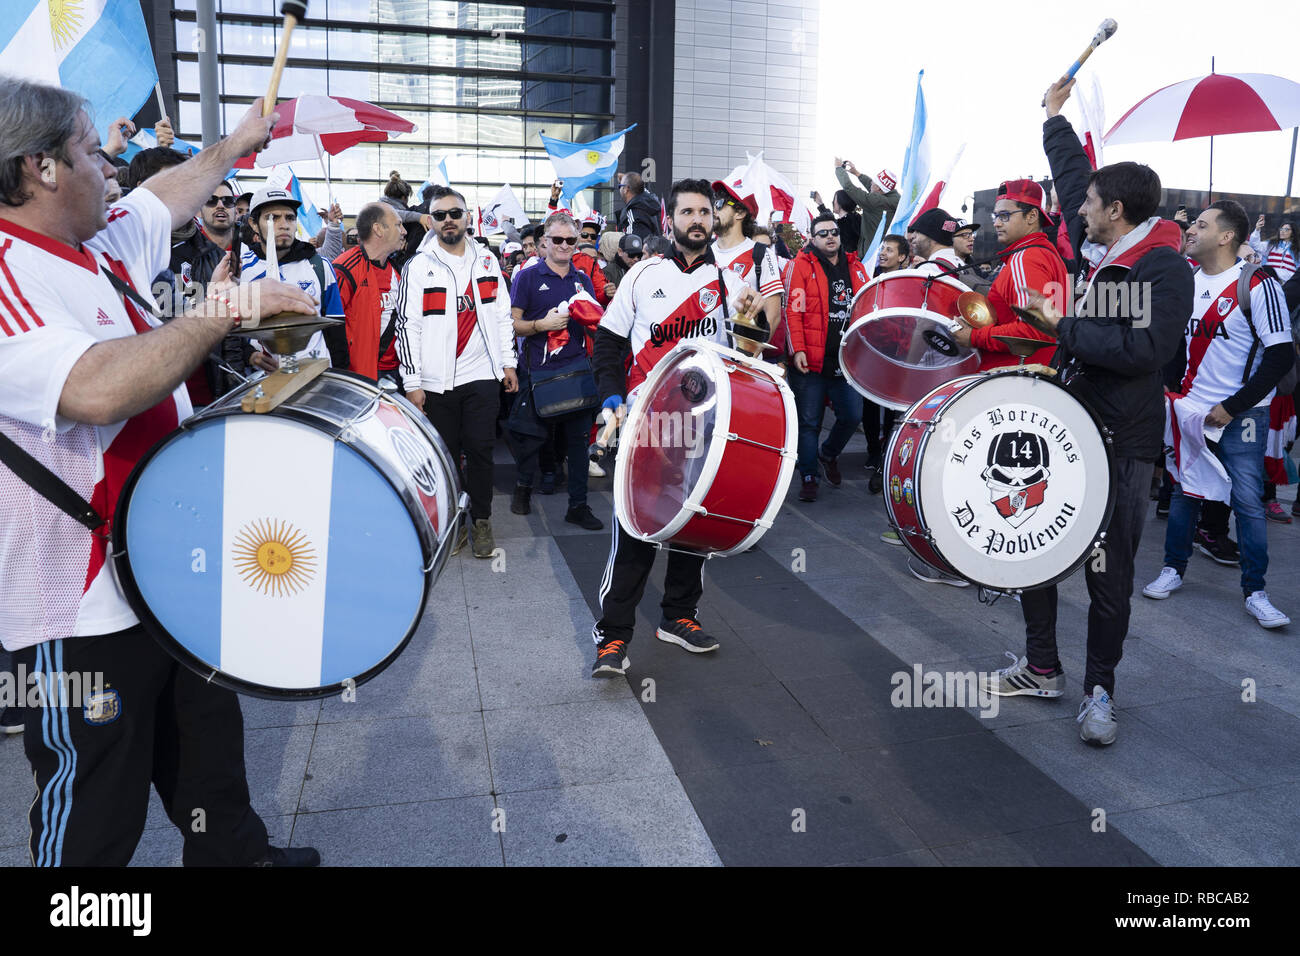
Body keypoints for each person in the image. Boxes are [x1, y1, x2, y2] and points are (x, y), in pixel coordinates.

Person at [0, 78, 320, 865]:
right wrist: (224, 311)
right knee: (94, 794)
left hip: (166, 568)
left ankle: (235, 858)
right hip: (78, 603)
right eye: (93, 152)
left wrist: (237, 143)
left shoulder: (92, 243)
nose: (113, 172)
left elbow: (166, 195)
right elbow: (96, 387)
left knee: (207, 747)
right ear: (41, 167)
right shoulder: (9, 276)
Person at [982, 77, 1194, 748]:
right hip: (1069, 427)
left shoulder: (1162, 270)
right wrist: (1053, 117)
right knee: (1035, 551)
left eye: (1094, 205)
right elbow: (1073, 176)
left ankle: (1099, 690)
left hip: (1124, 444)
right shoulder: (1105, 245)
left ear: (1118, 211)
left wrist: (1061, 324)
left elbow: (1146, 350)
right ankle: (1042, 666)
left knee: (1109, 575)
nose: (1078, 209)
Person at [588, 178, 753, 677]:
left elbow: (745, 358)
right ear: (670, 220)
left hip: (703, 426)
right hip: (645, 422)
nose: (697, 219)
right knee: (637, 531)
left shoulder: (730, 282)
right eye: (687, 212)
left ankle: (678, 616)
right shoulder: (643, 275)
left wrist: (749, 328)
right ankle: (612, 637)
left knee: (694, 528)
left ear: (715, 218)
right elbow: (610, 342)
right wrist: (612, 399)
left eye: (705, 211)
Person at [1142, 200, 1293, 629]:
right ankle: (1174, 568)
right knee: (1186, 493)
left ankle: (1256, 592)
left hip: (1242, 417)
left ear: (1227, 237)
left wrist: (1232, 408)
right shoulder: (1186, 278)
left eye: (1202, 225)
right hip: (1190, 411)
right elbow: (1173, 344)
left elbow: (1280, 356)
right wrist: (1172, 395)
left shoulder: (1260, 284)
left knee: (1247, 503)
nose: (1191, 230)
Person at [395, 186, 518, 558]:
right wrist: (413, 382)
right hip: (436, 381)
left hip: (482, 374)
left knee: (481, 451)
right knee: (445, 456)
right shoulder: (418, 265)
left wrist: (507, 361)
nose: (448, 219)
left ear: (467, 217)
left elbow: (500, 315)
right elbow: (407, 326)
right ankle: (451, 523)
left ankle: (480, 520)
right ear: (430, 221)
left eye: (455, 212)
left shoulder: (488, 261)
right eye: (440, 214)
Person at [507, 211, 604, 530]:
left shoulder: (583, 279)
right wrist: (541, 325)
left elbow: (593, 324)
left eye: (570, 240)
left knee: (578, 444)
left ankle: (578, 505)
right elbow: (512, 324)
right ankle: (522, 488)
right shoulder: (528, 277)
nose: (564, 245)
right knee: (531, 437)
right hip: (536, 372)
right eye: (557, 239)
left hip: (576, 370)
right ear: (543, 243)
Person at [785, 211, 870, 502]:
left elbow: (870, 305)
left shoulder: (856, 266)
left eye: (833, 231)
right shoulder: (801, 265)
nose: (830, 236)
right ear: (812, 237)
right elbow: (793, 311)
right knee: (809, 422)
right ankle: (809, 475)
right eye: (823, 233)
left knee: (852, 415)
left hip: (846, 362)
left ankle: (828, 454)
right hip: (810, 361)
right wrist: (797, 348)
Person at [950, 179, 1063, 370]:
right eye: (995, 216)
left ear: (1032, 216)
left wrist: (973, 336)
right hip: (1029, 378)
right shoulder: (1044, 254)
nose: (996, 223)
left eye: (1004, 215)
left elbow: (1035, 330)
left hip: (1014, 379)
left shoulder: (1026, 258)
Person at [239, 186, 347, 371]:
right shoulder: (240, 269)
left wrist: (340, 376)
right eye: (272, 218)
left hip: (317, 376)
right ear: (254, 224)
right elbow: (226, 329)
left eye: (290, 217)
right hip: (262, 385)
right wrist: (248, 353)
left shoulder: (320, 266)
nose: (284, 225)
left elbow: (336, 329)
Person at [332, 201, 406, 384]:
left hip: (398, 372)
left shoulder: (398, 270)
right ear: (378, 229)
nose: (404, 231)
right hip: (361, 376)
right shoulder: (344, 269)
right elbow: (332, 329)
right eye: (398, 225)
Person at [710, 179, 783, 339]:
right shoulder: (704, 252)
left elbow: (773, 316)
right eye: (713, 203)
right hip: (707, 358)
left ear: (740, 213)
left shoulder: (762, 254)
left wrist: (748, 356)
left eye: (720, 203)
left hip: (741, 358)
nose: (714, 209)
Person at [831, 158, 900, 261]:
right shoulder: (892, 197)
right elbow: (872, 187)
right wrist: (857, 173)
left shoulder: (876, 202)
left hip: (870, 256)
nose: (870, 183)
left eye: (873, 183)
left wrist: (838, 168)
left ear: (879, 189)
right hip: (883, 252)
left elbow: (849, 188)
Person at [907, 207, 965, 273]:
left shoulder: (928, 269)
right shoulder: (964, 266)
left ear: (934, 236)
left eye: (918, 232)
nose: (912, 236)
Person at [811, 188, 862, 258]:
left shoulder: (852, 220)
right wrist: (820, 204)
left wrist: (821, 205)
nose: (832, 202)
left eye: (834, 199)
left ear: (841, 201)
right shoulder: (847, 220)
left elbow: (834, 223)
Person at [616, 171, 663, 241]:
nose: (619, 189)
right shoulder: (649, 206)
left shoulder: (632, 214)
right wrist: (627, 180)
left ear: (626, 189)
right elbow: (639, 187)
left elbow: (630, 246)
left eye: (620, 186)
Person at [1249, 215, 1296, 282]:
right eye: (1281, 229)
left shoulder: (1297, 249)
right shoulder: (1271, 245)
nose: (1282, 231)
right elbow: (1254, 245)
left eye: (1286, 229)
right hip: (1269, 279)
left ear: (1293, 232)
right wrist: (1257, 229)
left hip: (1288, 285)